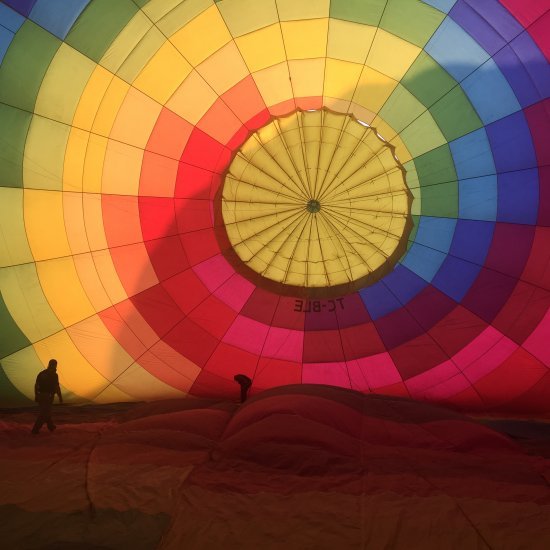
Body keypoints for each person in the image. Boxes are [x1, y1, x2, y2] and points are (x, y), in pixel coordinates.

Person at [32, 359, 63, 434]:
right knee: (44, 413)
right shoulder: (54, 375)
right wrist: (60, 397)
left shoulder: (42, 373)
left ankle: (51, 426)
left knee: (46, 412)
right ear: (55, 365)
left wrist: (36, 395)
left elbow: (36, 385)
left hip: (41, 395)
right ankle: (35, 429)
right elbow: (56, 387)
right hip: (48, 396)